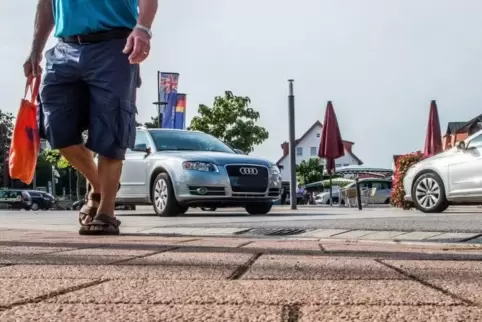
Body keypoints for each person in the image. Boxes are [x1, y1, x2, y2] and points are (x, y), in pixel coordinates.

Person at [24, 0, 158, 235]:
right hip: (64, 48)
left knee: (111, 128)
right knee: (55, 126)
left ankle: (106, 211)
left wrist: (143, 28)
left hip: (115, 45)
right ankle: (100, 185)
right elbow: (45, 5)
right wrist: (35, 50)